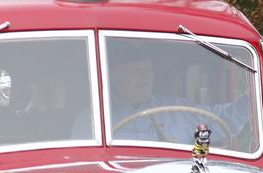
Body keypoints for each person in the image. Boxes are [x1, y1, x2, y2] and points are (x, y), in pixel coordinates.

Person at [105, 53, 250, 145]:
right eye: (136, 71)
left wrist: (250, 98)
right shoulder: (96, 118)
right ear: (115, 75)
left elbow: (223, 120)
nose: (144, 77)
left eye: (147, 70)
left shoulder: (178, 111)